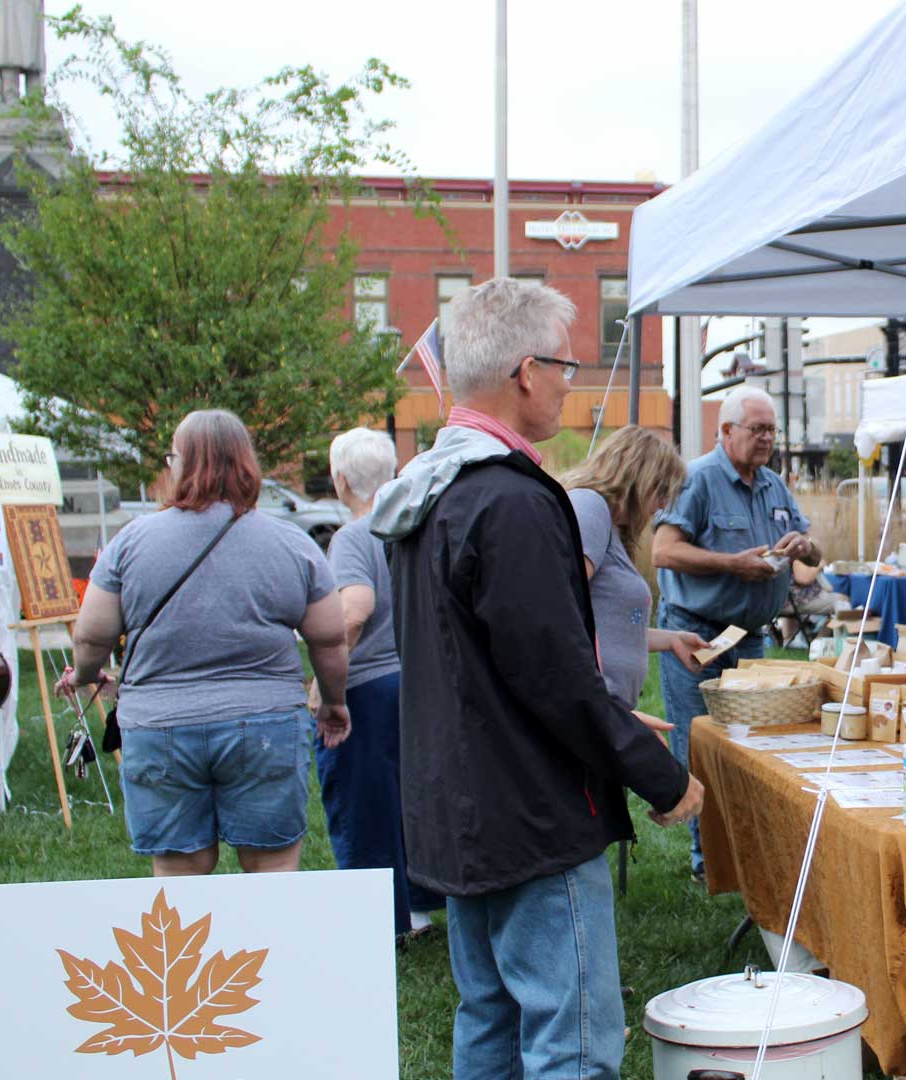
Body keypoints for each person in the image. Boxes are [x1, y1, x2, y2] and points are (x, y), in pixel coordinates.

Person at [371, 278, 699, 1079]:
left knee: (489, 1017)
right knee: (571, 1040)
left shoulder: (431, 490)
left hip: (461, 808)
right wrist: (663, 780)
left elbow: (494, 664)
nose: (569, 382)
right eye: (564, 366)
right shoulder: (507, 500)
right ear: (526, 372)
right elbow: (558, 678)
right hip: (531, 817)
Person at [57, 409, 352, 876]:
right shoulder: (291, 543)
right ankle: (268, 949)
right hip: (266, 725)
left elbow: (91, 634)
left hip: (159, 726)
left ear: (180, 465)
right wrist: (333, 702)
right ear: (246, 465)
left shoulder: (130, 542)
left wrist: (87, 674)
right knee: (271, 867)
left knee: (181, 874)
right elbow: (330, 638)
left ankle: (193, 951)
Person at [652, 384, 818, 880]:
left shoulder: (773, 484)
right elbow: (663, 551)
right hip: (696, 635)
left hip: (748, 636)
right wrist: (732, 565)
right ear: (726, 432)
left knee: (752, 749)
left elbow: (814, 556)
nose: (768, 438)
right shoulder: (698, 479)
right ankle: (709, 862)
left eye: (772, 429)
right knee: (699, 743)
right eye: (758, 429)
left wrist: (804, 546)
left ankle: (746, 849)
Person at [311, 427, 441, 941]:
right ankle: (420, 905)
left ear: (341, 480)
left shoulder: (352, 536)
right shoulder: (415, 526)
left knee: (365, 808)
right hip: (417, 681)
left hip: (366, 688)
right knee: (411, 800)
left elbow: (353, 610)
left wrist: (327, 689)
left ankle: (381, 924)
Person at [558, 426, 709, 710]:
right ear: (636, 476)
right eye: (661, 490)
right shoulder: (590, 507)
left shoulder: (612, 525)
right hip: (593, 707)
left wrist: (672, 639)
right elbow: (560, 606)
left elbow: (608, 623)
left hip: (608, 708)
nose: (663, 504)